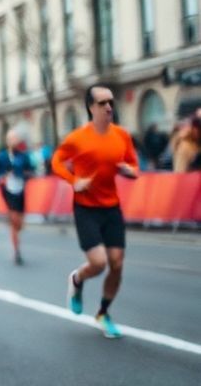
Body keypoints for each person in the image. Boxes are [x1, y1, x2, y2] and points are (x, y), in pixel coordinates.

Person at [52, 84, 138, 339]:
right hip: (86, 208)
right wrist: (73, 181)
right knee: (99, 263)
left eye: (110, 102)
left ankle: (103, 313)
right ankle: (77, 279)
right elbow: (56, 160)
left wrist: (129, 171)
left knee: (117, 263)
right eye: (102, 103)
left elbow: (134, 165)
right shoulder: (77, 138)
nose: (109, 107)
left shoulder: (122, 135)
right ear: (91, 107)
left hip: (111, 207)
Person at [0, 129, 35, 265]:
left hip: (21, 191)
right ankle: (16, 251)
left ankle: (15, 230)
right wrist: (2, 177)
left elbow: (31, 171)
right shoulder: (2, 157)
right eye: (11, 138)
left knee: (19, 224)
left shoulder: (23, 156)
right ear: (7, 141)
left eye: (15, 138)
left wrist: (22, 174)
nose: (13, 141)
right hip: (8, 191)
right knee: (14, 220)